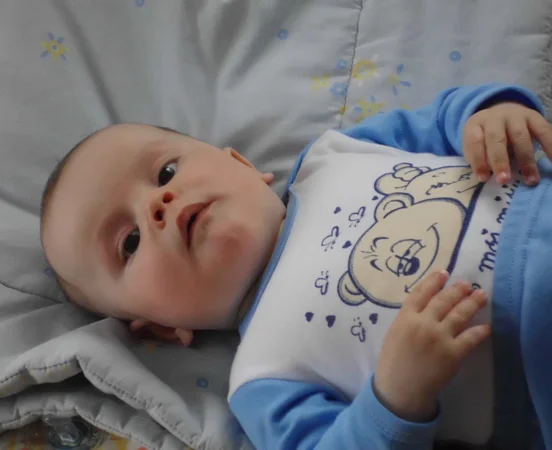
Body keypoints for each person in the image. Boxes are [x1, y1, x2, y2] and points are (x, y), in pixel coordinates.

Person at [40, 83, 552, 450]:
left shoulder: (331, 157)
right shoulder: (262, 378)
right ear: (160, 327)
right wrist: (396, 397)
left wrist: (490, 113)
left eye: (166, 170)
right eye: (128, 243)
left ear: (241, 164)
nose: (159, 204)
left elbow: (444, 119)